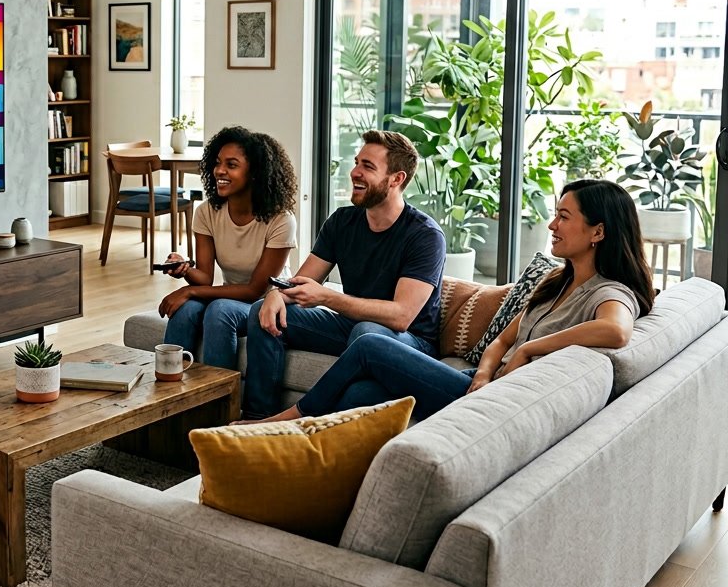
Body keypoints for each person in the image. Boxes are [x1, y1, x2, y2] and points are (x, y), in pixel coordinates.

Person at [240, 179, 653, 424]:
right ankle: (303, 457)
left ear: (598, 232)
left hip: (508, 401)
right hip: (482, 382)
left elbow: (616, 330)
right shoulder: (554, 282)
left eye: (565, 216)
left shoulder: (607, 290)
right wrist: (486, 370)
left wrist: (529, 349)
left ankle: (282, 423)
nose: (552, 223)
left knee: (369, 343)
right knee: (357, 394)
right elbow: (502, 339)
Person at [241, 129, 446, 419]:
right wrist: (277, 293)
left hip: (408, 341)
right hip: (351, 327)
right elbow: (302, 280)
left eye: (368, 167)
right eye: (357, 162)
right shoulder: (342, 221)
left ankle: (294, 418)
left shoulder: (424, 236)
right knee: (264, 310)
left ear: (396, 179)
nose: (355, 172)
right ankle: (257, 419)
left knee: (367, 333)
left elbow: (401, 316)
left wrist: (327, 297)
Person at [159, 126, 298, 371]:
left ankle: (217, 401)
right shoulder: (207, 212)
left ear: (255, 172)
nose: (219, 171)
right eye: (217, 163)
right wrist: (184, 269)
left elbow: (255, 290)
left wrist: (190, 292)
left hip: (267, 302)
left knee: (219, 310)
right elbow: (204, 277)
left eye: (231, 165)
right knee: (185, 310)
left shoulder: (281, 220)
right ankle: (168, 392)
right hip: (232, 295)